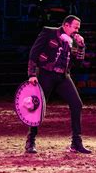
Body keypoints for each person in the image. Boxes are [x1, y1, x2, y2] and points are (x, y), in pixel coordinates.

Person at [25, 15, 91, 154]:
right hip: (45, 74)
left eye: (78, 28)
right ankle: (30, 141)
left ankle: (76, 143)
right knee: (38, 107)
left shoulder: (73, 41)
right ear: (66, 25)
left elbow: (79, 62)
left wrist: (81, 46)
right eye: (75, 27)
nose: (77, 30)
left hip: (63, 77)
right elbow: (34, 53)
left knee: (76, 104)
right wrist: (31, 75)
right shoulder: (48, 32)